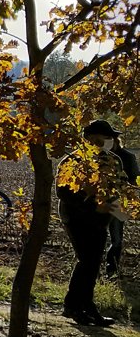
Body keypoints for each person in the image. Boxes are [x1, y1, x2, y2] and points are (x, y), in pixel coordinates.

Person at [58, 120, 124, 325]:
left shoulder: (113, 161)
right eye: (104, 137)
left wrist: (120, 206)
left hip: (101, 220)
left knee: (92, 263)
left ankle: (79, 305)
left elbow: (119, 187)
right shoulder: (72, 161)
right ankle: (77, 306)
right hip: (76, 218)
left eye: (109, 138)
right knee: (87, 261)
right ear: (89, 138)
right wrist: (94, 207)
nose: (108, 141)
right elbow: (63, 193)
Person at [107, 135, 139, 277]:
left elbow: (134, 179)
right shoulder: (98, 155)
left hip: (119, 202)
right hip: (99, 202)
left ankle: (111, 270)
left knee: (117, 239)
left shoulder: (127, 157)